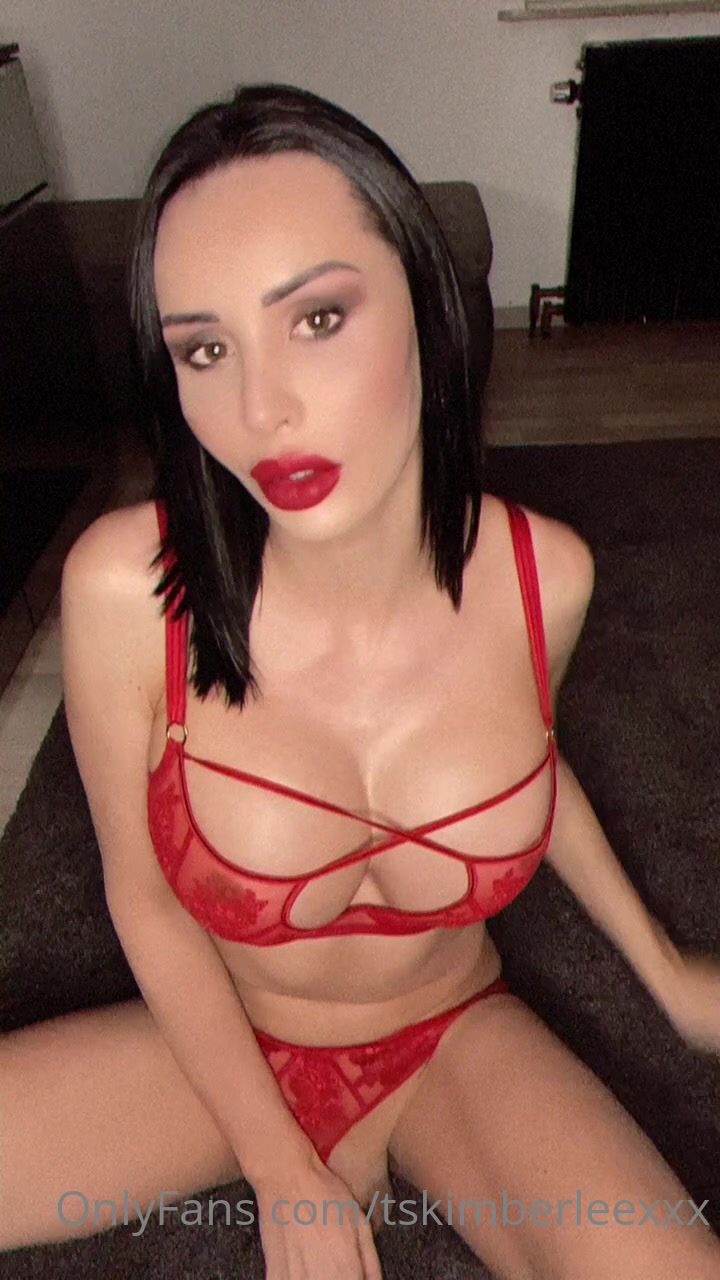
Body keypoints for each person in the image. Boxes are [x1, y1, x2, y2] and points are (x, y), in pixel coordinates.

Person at [1, 83, 719, 1280]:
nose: (261, 407)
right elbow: (145, 895)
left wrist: (665, 969)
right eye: (205, 348)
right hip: (220, 1043)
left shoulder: (546, 576)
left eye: (318, 318)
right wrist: (281, 1165)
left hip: (452, 1039)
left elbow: (527, 760)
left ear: (427, 310)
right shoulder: (130, 587)